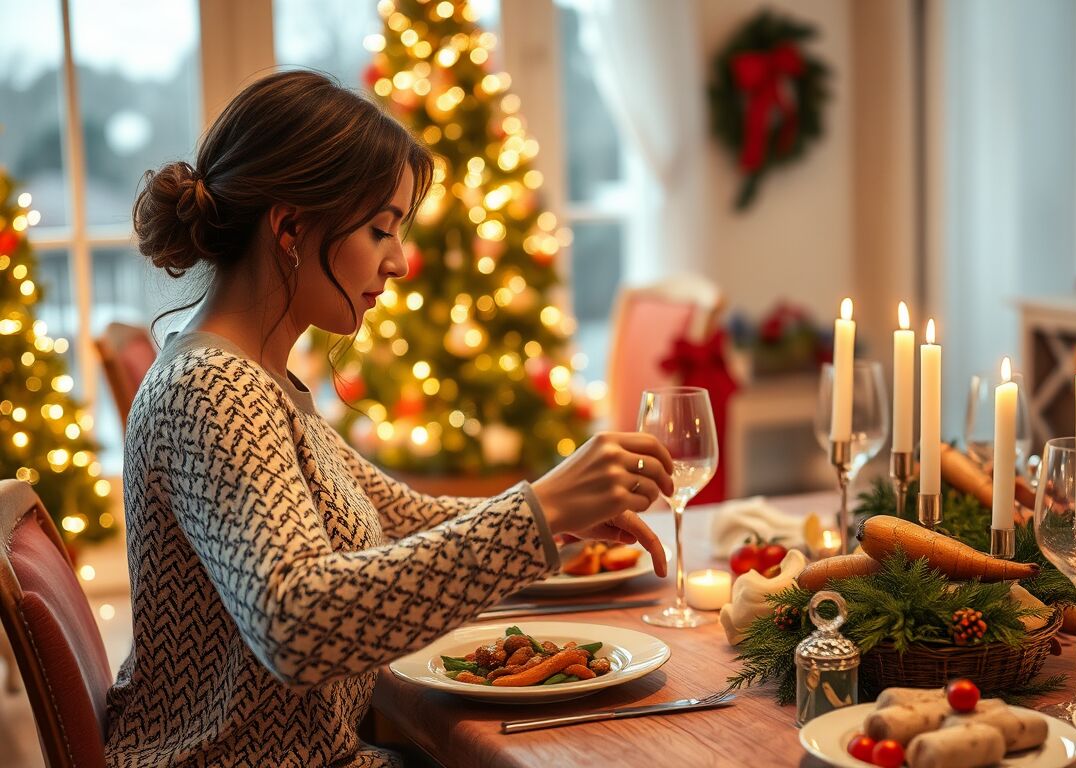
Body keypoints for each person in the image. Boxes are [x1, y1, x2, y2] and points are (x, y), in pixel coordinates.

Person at [105, 69, 672, 767]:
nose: (400, 262)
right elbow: (297, 624)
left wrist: (558, 516)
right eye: (381, 230)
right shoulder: (213, 387)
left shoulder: (256, 379)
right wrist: (539, 511)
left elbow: (403, 520)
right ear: (289, 228)